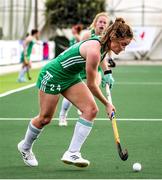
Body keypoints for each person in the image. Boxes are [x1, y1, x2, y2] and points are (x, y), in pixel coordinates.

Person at [17, 17, 133, 168]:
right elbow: (91, 85)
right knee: (45, 118)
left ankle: (72, 153)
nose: (124, 49)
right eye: (123, 44)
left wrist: (107, 72)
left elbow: (102, 58)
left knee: (90, 110)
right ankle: (25, 147)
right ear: (113, 37)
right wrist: (107, 104)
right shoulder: (94, 51)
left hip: (70, 77)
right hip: (53, 75)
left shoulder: (103, 45)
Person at [59, 12, 112, 126]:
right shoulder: (87, 35)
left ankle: (83, 107)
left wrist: (107, 72)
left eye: (105, 22)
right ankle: (63, 115)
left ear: (107, 26)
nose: (102, 24)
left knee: (91, 89)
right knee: (71, 93)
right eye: (100, 22)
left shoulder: (106, 38)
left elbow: (102, 56)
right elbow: (78, 51)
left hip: (95, 69)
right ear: (95, 23)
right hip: (81, 68)